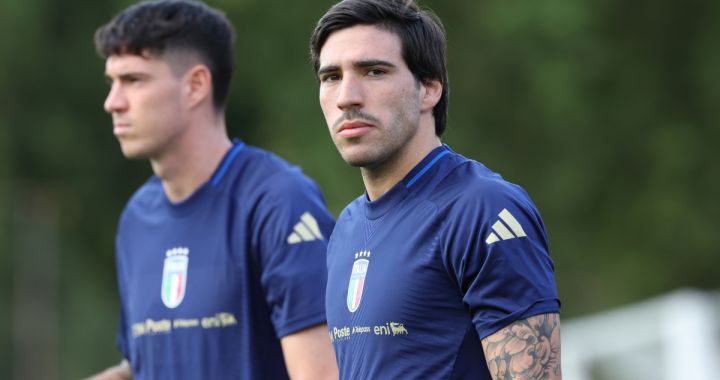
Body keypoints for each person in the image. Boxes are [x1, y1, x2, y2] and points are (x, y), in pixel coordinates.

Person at [310, 0, 562, 379]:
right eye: (331, 77)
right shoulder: (345, 228)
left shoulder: (483, 209)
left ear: (429, 89)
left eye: (374, 71)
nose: (346, 96)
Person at [90, 1, 338, 379]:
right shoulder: (137, 216)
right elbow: (146, 363)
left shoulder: (278, 201)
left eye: (134, 80)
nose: (113, 102)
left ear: (195, 86)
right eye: (112, 82)